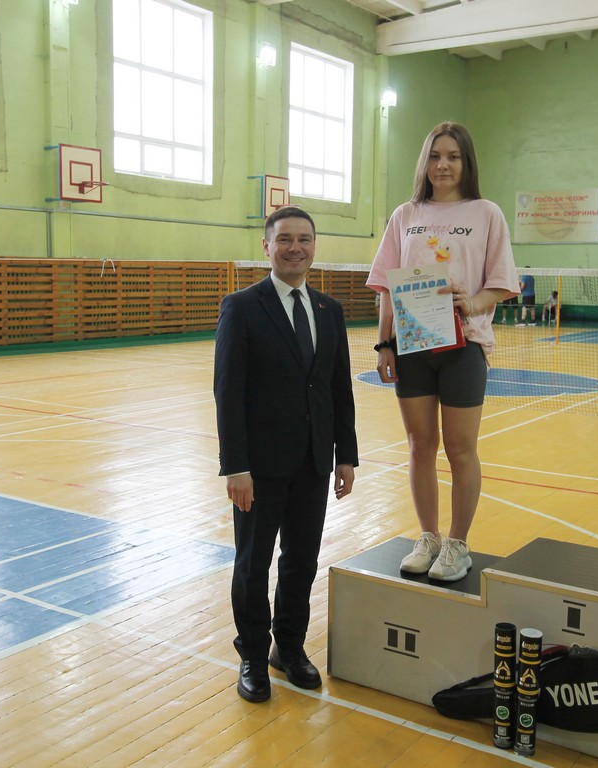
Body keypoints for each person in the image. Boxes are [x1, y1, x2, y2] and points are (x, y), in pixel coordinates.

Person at [214, 205, 358, 702]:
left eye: (304, 239)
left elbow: (338, 389)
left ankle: (289, 649)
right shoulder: (242, 307)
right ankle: (253, 656)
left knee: (302, 561)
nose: (295, 248)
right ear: (267, 246)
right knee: (253, 565)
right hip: (259, 468)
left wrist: (345, 455)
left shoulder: (329, 310)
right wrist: (236, 466)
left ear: (314, 246)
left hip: (314, 462)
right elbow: (228, 392)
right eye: (285, 239)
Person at [367, 122, 519, 582]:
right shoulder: (405, 215)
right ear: (425, 162)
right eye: (435, 156)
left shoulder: (487, 213)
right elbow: (387, 286)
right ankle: (428, 536)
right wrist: (385, 343)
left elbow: (501, 283)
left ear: (466, 162)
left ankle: (457, 544)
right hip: (412, 347)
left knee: (460, 449)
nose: (443, 165)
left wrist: (471, 303)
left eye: (452, 156)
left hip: (463, 346)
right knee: (419, 446)